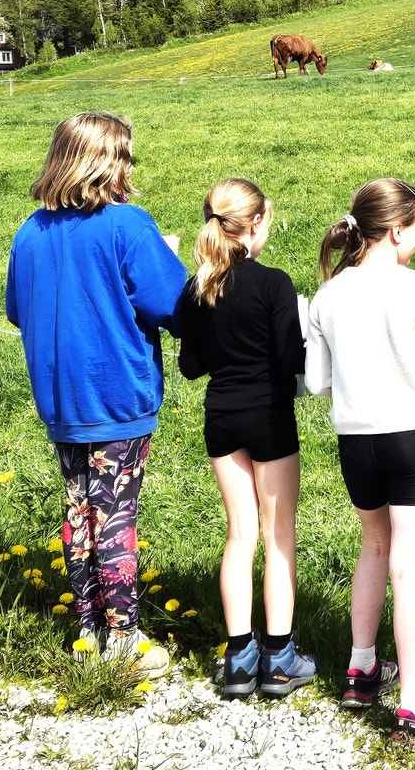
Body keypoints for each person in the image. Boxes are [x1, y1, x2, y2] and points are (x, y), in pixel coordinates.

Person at [4, 112, 184, 679]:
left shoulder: (30, 229)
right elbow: (173, 305)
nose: (130, 168)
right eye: (125, 157)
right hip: (115, 396)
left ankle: (87, 625)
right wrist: (169, 254)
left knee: (79, 510)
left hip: (60, 399)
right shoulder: (127, 225)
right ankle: (125, 636)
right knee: (115, 514)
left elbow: (16, 309)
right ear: (108, 163)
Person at [305, 178, 415, 744]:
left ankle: (361, 667)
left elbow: (318, 383)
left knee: (372, 545)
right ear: (395, 230)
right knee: (410, 564)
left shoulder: (327, 296)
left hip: (356, 440)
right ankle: (414, 704)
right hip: (414, 436)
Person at [174, 178, 314, 699]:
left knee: (239, 534)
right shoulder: (274, 283)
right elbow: (287, 361)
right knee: (278, 535)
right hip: (270, 417)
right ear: (255, 224)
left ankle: (238, 659)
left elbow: (190, 366)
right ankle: (280, 658)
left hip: (221, 418)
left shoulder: (197, 288)